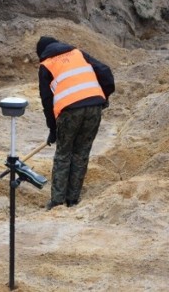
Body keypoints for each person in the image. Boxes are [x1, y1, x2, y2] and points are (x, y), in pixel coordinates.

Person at [36, 36, 115, 210]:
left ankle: (57, 201)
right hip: (94, 106)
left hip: (70, 110)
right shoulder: (78, 53)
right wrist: (103, 98)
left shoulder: (46, 65)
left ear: (42, 53)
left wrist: (52, 128)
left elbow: (47, 100)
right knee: (81, 153)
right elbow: (106, 73)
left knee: (64, 154)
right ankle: (73, 199)